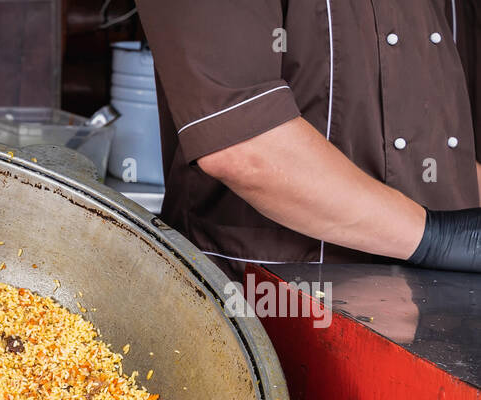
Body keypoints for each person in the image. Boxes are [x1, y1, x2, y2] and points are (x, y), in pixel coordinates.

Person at [134, 1, 481, 274]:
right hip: (266, 306)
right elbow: (245, 148)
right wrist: (438, 238)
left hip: (431, 300)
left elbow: (437, 151)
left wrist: (459, 237)